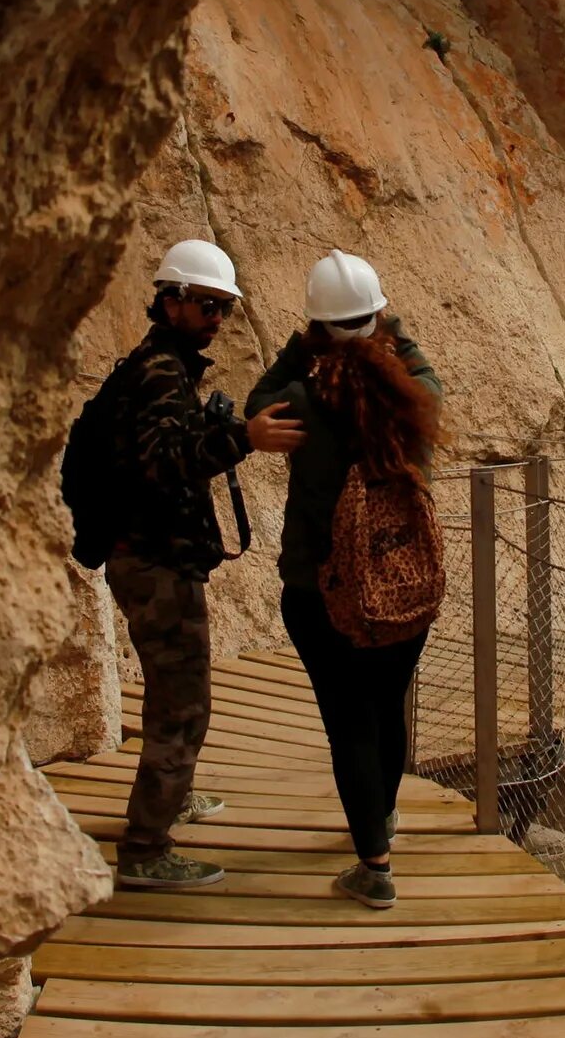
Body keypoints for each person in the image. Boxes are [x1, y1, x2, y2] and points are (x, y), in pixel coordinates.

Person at [103, 240, 303, 892]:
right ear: (172, 301)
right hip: (155, 562)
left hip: (155, 558)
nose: (218, 318)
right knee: (184, 703)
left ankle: (167, 799)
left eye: (225, 308)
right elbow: (163, 465)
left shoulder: (163, 365)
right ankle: (146, 845)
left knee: (172, 693)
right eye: (208, 305)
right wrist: (241, 437)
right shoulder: (159, 371)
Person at [249, 250, 443, 911]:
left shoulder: (302, 401)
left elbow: (256, 404)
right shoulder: (417, 395)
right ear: (380, 315)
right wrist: (386, 324)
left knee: (348, 722)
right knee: (386, 707)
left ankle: (374, 865)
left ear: (319, 328)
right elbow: (414, 357)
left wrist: (300, 343)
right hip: (403, 587)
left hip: (320, 591)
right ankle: (381, 819)